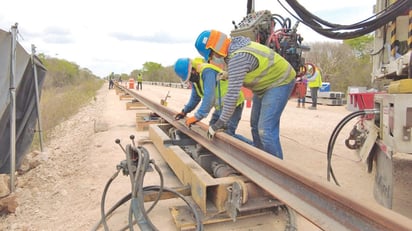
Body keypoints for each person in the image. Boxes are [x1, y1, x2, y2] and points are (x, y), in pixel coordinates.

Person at [195, 29, 296, 159]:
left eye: (211, 54)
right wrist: (228, 74)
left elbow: (232, 95)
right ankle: (261, 160)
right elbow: (246, 67)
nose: (213, 58)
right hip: (265, 86)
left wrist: (219, 123)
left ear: (215, 48)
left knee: (265, 130)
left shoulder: (238, 56)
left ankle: (278, 172)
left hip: (280, 81)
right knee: (255, 125)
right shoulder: (234, 49)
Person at [173, 57, 253, 145]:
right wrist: (184, 111)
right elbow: (195, 98)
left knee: (226, 134)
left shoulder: (207, 72)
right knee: (212, 130)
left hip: (233, 103)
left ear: (193, 69)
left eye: (190, 77)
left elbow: (209, 97)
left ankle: (254, 149)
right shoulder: (195, 78)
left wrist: (197, 116)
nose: (191, 80)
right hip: (220, 106)